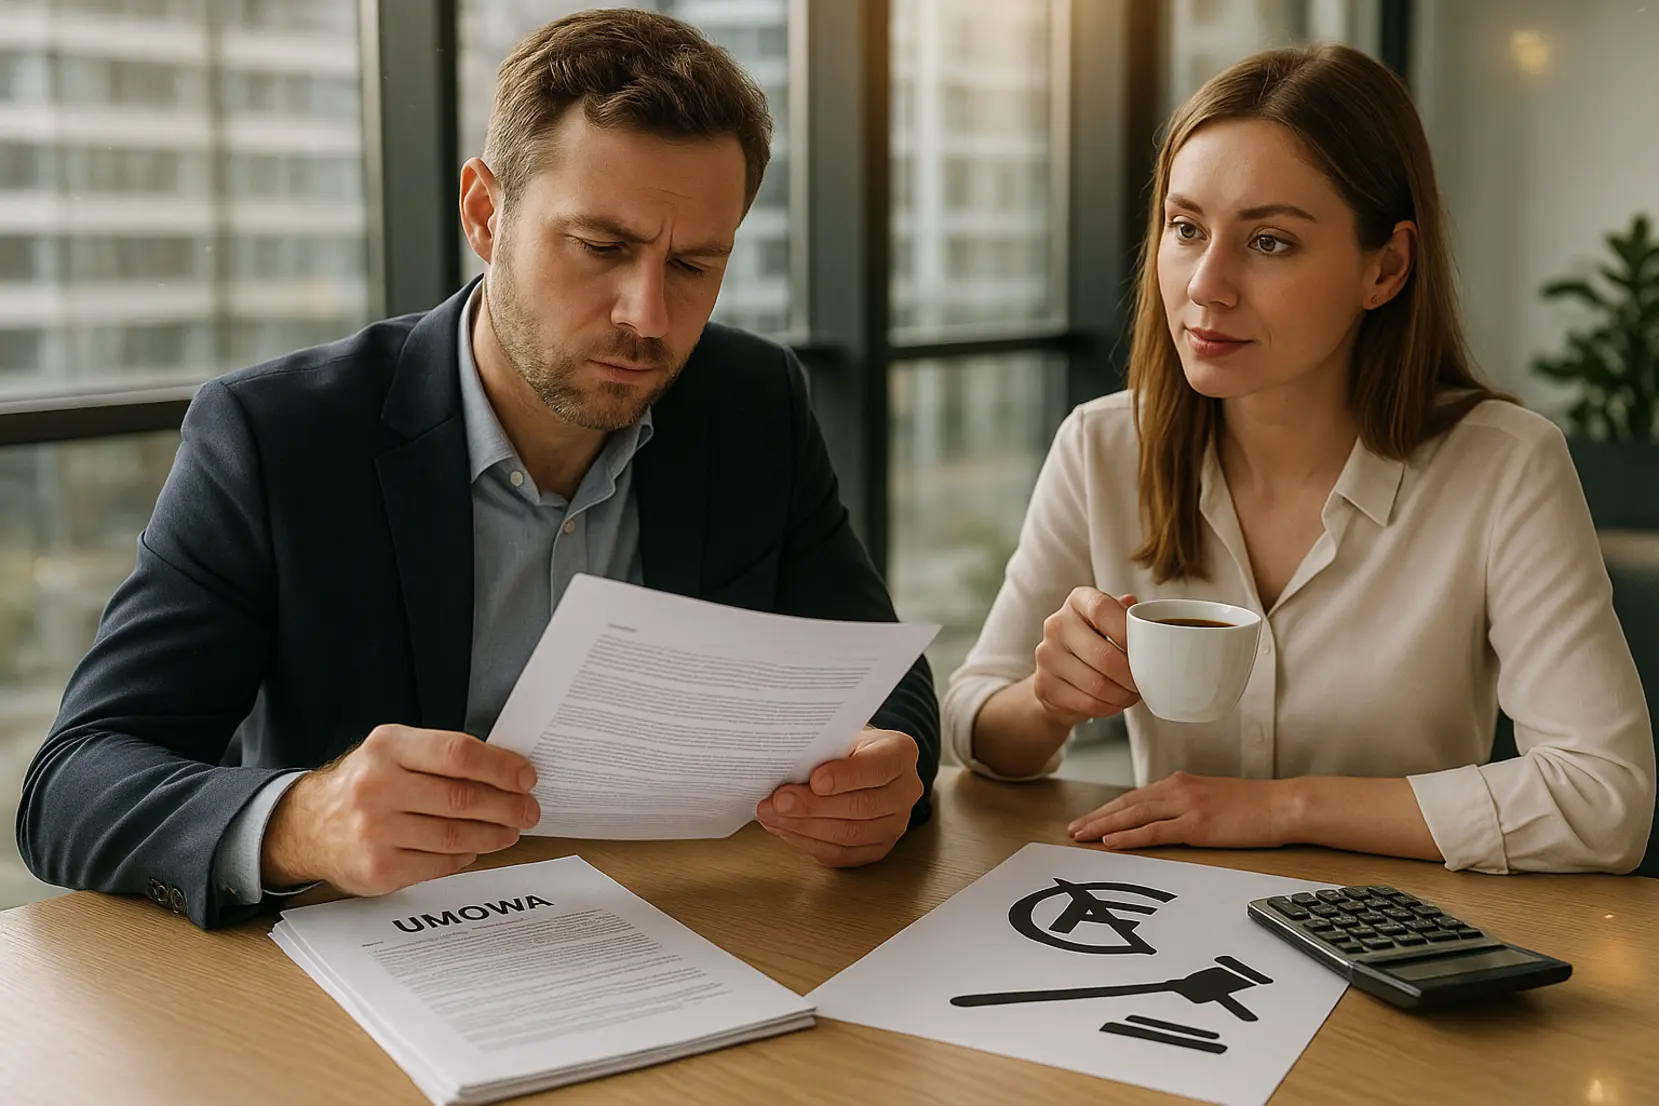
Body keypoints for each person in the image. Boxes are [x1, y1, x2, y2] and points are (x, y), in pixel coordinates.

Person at [16, 10, 937, 930]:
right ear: (485, 214)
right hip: (374, 971)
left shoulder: (749, 399)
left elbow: (875, 672)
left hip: (686, 921)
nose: (649, 315)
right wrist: (303, 820)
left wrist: (883, 765)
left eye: (694, 264)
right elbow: (73, 783)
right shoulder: (278, 436)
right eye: (603, 248)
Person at [944, 44, 1654, 874]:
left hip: (1404, 941)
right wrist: (1045, 701)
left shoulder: (1504, 467)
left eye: (1269, 242)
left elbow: (1602, 800)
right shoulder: (1102, 446)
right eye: (1185, 228)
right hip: (1170, 929)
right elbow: (972, 719)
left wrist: (1283, 809)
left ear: (1385, 267)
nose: (1206, 284)